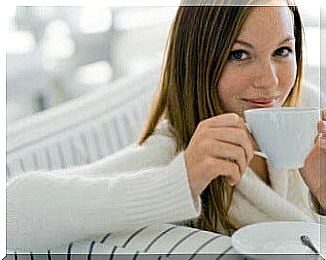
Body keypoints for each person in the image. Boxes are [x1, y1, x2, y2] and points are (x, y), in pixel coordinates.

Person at [7, 0, 326, 251]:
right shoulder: (177, 150)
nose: (270, 81)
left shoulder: (307, 106)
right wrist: (181, 180)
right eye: (239, 54)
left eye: (282, 51)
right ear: (198, 62)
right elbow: (13, 211)